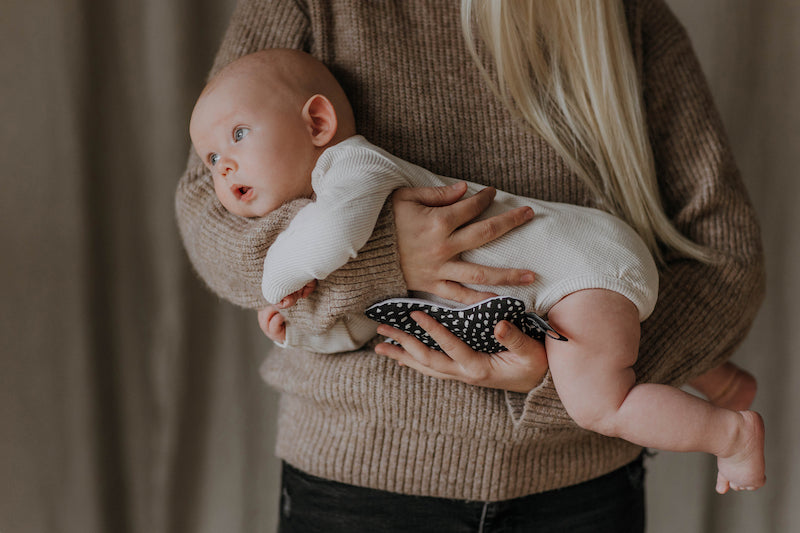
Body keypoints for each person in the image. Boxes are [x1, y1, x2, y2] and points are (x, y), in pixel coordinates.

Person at [175, 1, 766, 530]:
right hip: (357, 480)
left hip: (575, 487)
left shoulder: (623, 16)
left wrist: (561, 375)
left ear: (318, 122)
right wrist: (385, 262)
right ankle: (718, 383)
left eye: (235, 142)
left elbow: (727, 260)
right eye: (214, 155)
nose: (223, 168)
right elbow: (209, 219)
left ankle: (722, 419)